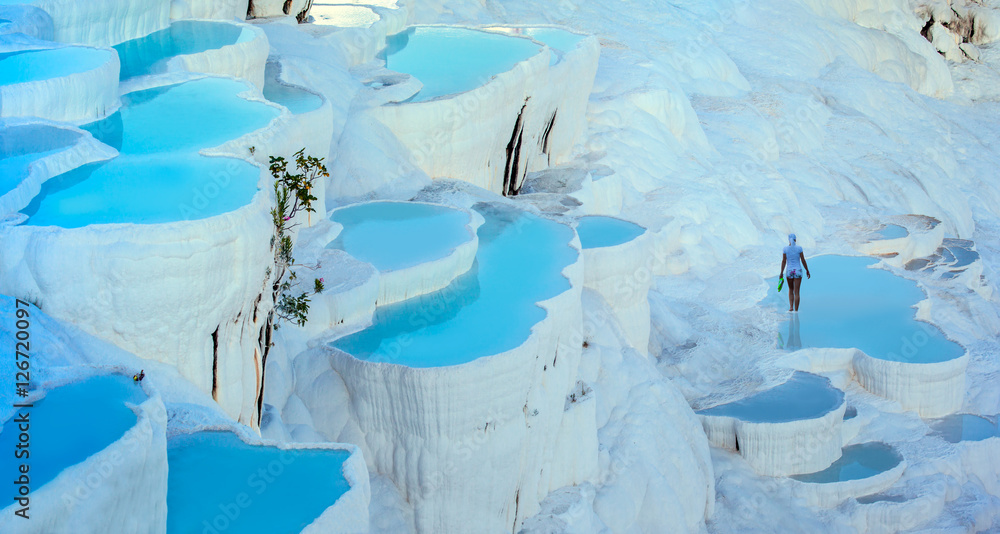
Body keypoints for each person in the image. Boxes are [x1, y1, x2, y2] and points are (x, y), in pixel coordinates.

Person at [779, 233, 810, 312]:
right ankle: (796, 310)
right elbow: (803, 260)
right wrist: (807, 270)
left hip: (789, 271)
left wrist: (781, 273)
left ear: (789, 240)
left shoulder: (785, 249)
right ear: (795, 240)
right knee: (797, 291)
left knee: (791, 289)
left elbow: (784, 261)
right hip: (798, 271)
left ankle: (791, 307)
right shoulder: (799, 248)